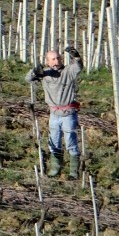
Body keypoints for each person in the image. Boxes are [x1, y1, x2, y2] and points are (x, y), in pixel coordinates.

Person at [26, 46, 83, 179]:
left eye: (58, 58)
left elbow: (78, 67)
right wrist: (34, 71)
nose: (56, 61)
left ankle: (73, 171)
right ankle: (55, 168)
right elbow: (28, 79)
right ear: (47, 61)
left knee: (70, 142)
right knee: (54, 141)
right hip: (54, 114)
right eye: (53, 59)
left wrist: (76, 57)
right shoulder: (45, 73)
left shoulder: (68, 71)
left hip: (68, 114)